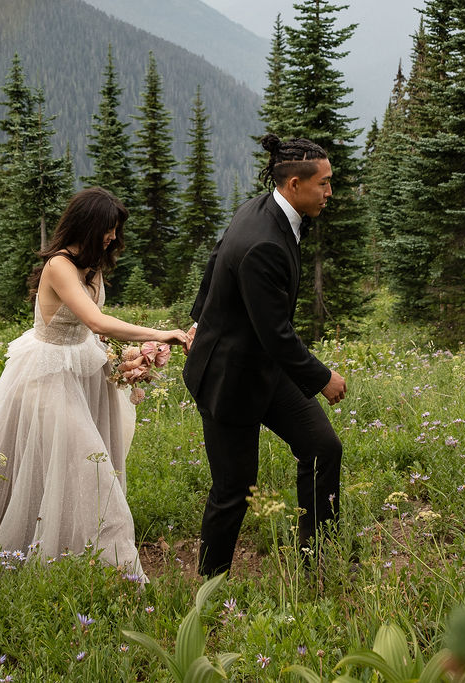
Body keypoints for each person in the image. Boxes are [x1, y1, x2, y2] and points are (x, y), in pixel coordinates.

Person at [0, 187, 188, 584]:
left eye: (115, 230)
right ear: (88, 225)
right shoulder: (59, 265)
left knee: (73, 468)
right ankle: (115, 576)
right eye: (108, 229)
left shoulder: (92, 266)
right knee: (88, 469)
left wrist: (127, 360)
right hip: (47, 376)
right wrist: (163, 333)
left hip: (83, 369)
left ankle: (71, 566)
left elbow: (93, 331)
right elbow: (97, 321)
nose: (112, 237)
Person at [182, 134, 347, 577]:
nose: (330, 192)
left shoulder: (265, 209)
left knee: (323, 448)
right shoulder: (265, 243)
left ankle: (316, 561)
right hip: (229, 378)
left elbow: (216, 260)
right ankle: (209, 585)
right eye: (324, 184)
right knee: (234, 489)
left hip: (263, 369)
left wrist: (198, 318)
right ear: (294, 184)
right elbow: (275, 333)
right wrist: (322, 377)